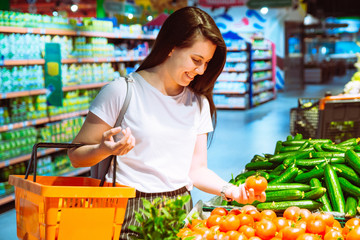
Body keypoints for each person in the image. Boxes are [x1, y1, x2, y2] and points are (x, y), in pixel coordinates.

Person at [68, 6, 266, 239]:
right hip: (127, 210)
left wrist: (233, 190)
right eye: (196, 60)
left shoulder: (198, 103)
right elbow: (75, 155)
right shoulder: (121, 92)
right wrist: (103, 149)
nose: (201, 70)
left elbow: (196, 170)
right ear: (172, 46)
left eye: (206, 63)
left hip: (180, 207)